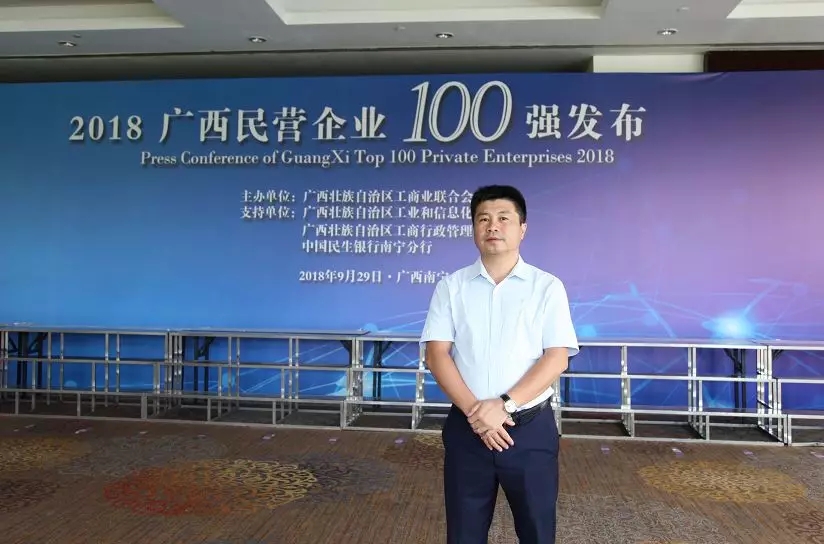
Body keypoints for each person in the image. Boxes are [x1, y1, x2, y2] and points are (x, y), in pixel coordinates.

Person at [420, 184, 579, 544]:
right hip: (467, 429)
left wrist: (503, 405)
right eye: (483, 219)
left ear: (522, 228)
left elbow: (556, 357)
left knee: (537, 531)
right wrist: (478, 415)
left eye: (503, 218)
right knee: (464, 533)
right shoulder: (451, 287)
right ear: (473, 229)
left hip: (529, 430)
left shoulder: (547, 287)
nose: (493, 226)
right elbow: (437, 354)